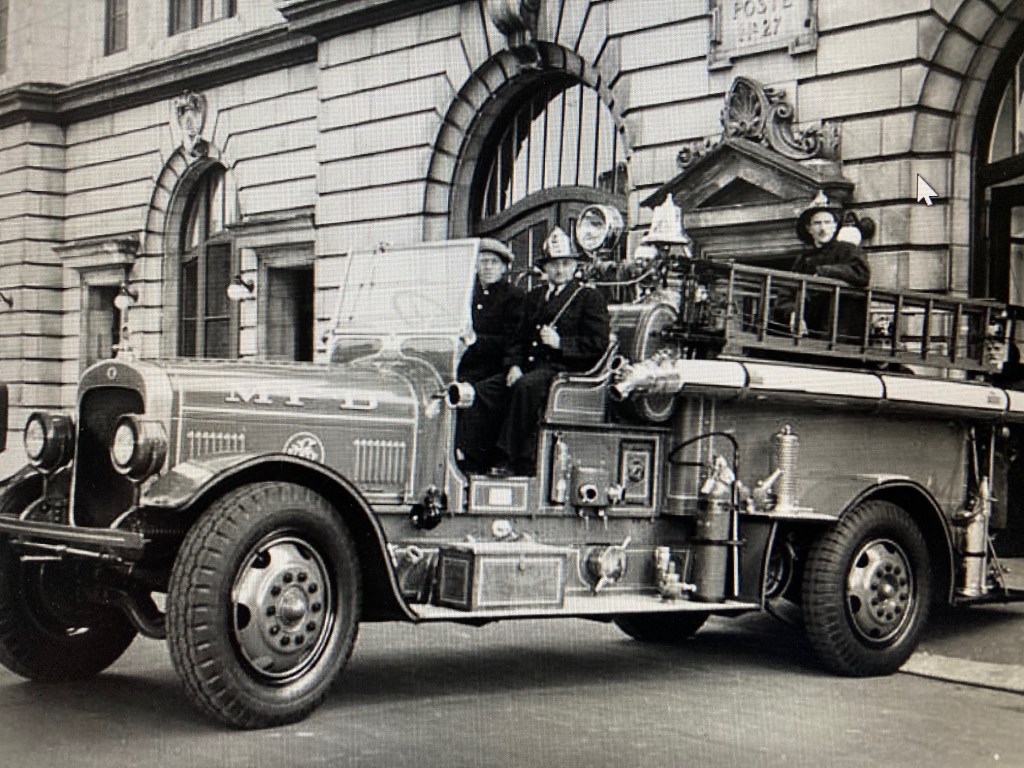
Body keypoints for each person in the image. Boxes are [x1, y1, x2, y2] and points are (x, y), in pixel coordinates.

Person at [491, 227, 610, 476]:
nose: (560, 270)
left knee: (526, 388)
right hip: (530, 367)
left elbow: (597, 343)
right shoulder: (534, 296)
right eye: (554, 264)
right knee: (486, 388)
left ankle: (511, 459)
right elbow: (518, 337)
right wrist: (514, 365)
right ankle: (474, 454)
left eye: (566, 264)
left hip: (564, 370)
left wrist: (561, 344)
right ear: (545, 268)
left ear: (575, 266)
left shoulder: (588, 297)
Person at [453, 241, 525, 474]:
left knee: (475, 393)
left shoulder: (513, 297)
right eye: (484, 261)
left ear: (504, 268)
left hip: (494, 366)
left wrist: (475, 341)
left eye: (494, 262)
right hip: (463, 363)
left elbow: (513, 339)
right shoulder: (466, 293)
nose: (488, 267)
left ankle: (471, 458)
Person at [784, 190, 871, 339]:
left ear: (835, 226)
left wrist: (823, 272)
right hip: (809, 329)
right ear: (809, 228)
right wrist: (793, 313)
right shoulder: (803, 259)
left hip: (841, 329)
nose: (823, 228)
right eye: (817, 223)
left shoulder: (847, 250)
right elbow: (786, 293)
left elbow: (862, 274)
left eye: (827, 222)